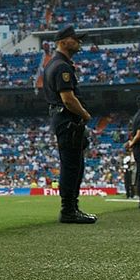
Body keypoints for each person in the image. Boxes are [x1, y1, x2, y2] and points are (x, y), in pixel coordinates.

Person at [42, 27, 95, 224]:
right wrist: (86, 115)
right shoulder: (62, 67)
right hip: (67, 120)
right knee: (72, 165)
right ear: (63, 41)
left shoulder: (53, 64)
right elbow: (68, 99)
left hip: (62, 120)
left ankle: (71, 208)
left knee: (74, 164)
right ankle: (69, 210)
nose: (79, 43)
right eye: (75, 39)